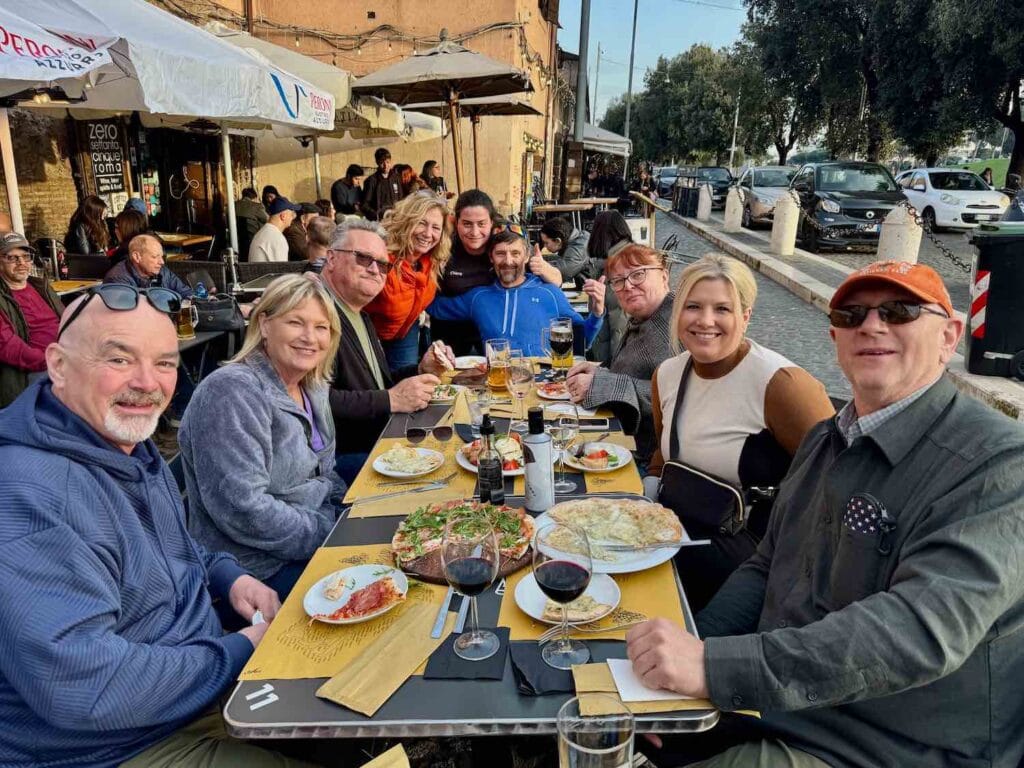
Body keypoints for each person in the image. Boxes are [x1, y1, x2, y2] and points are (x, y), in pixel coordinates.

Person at [627, 260, 1024, 768]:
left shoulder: (997, 463)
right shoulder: (826, 438)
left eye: (899, 311)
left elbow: (918, 632)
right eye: (852, 313)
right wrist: (689, 659)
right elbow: (767, 565)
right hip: (782, 704)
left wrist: (714, 667)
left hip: (890, 743)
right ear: (834, 335)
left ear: (949, 336)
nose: (872, 325)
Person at [0, 284, 311, 768]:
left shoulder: (121, 441)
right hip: (113, 747)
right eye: (119, 359)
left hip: (189, 689)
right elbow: (85, 687)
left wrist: (229, 577)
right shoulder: (29, 494)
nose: (147, 382)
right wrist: (238, 650)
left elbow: (171, 551)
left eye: (165, 363)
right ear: (58, 365)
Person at [645, 254, 834, 612]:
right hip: (669, 545)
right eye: (693, 307)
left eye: (722, 309)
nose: (705, 321)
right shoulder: (667, 374)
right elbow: (662, 452)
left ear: (746, 317)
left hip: (748, 569)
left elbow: (837, 481)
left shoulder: (782, 386)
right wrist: (643, 502)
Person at [180, 275, 345, 600]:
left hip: (312, 529)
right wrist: (332, 532)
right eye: (296, 322)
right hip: (253, 571)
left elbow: (326, 472)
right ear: (265, 324)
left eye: (321, 327)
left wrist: (344, 513)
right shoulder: (232, 391)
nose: (310, 337)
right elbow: (243, 510)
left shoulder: (311, 384)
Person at [320, 218, 454, 484]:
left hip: (381, 442)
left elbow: (376, 382)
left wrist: (420, 369)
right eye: (362, 258)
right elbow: (312, 401)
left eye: (382, 264)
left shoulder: (359, 313)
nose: (374, 269)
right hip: (342, 459)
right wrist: (390, 400)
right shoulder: (316, 314)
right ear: (332, 258)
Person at [565, 244, 674, 466]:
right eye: (619, 281)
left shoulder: (677, 324)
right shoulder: (643, 318)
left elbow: (673, 395)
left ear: (664, 276)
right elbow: (636, 370)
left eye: (638, 274)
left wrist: (601, 383)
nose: (628, 285)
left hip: (650, 460)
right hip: (623, 441)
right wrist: (600, 370)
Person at [429, 228, 607, 357]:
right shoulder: (478, 297)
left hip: (544, 387)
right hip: (498, 386)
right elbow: (434, 307)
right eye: (500, 254)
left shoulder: (549, 293)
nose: (508, 261)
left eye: (515, 253)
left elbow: (581, 342)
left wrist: (597, 313)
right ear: (491, 258)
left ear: (527, 256)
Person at [365, 191, 452, 370]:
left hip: (405, 331)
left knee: (406, 382)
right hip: (368, 335)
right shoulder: (380, 256)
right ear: (407, 221)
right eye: (421, 223)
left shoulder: (431, 261)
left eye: (436, 228)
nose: (428, 234)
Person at [432, 189, 498, 355]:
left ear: (492, 222)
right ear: (456, 223)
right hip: (449, 328)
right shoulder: (442, 247)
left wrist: (552, 274)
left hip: (492, 329)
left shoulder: (503, 246)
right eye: (467, 224)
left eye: (481, 224)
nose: (475, 232)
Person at [0, 233, 62, 408]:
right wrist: (53, 361)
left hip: (67, 358)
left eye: (26, 256)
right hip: (35, 371)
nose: (21, 263)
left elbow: (68, 321)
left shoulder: (40, 286)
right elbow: (8, 347)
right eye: (12, 257)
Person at [584, 210, 634, 363]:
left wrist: (612, 370)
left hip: (616, 362)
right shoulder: (613, 261)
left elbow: (619, 326)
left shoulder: (620, 268)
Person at [104, 233, 194, 299]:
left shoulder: (162, 271)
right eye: (155, 257)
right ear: (137, 257)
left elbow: (186, 293)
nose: (162, 262)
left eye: (162, 256)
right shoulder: (117, 280)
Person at [539, 215, 591, 286]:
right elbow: (562, 260)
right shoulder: (575, 241)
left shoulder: (578, 248)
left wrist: (537, 265)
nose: (544, 246)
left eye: (546, 243)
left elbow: (563, 272)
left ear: (558, 241)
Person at [248, 196, 301, 263]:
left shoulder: (265, 232)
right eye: (291, 214)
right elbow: (281, 270)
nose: (293, 217)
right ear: (283, 216)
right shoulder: (276, 238)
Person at [361, 147, 400, 221]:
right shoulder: (371, 181)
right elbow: (364, 205)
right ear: (377, 162)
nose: (385, 166)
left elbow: (401, 199)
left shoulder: (396, 178)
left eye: (388, 162)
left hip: (395, 218)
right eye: (382, 163)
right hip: (379, 220)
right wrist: (376, 215)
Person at [235, 186, 268, 260]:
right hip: (253, 242)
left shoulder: (233, 205)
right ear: (254, 197)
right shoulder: (257, 206)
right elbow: (268, 220)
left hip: (237, 242)